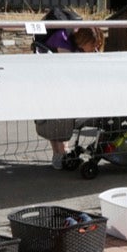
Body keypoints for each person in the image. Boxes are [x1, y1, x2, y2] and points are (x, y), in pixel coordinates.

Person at [33, 27, 104, 167]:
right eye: (93, 45)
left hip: (60, 85)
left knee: (63, 118)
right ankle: (59, 153)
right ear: (84, 40)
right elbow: (69, 68)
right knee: (56, 119)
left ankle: (63, 152)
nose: (95, 49)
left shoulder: (76, 45)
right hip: (50, 84)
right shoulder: (62, 40)